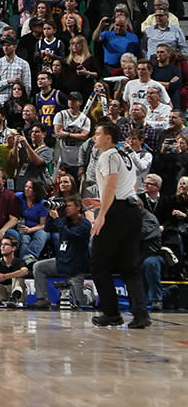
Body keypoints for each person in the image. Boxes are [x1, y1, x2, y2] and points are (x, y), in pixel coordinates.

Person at [89, 120, 151, 328]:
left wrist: (102, 214)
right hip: (132, 211)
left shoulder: (107, 155)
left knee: (98, 264)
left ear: (108, 137)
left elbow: (112, 185)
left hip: (115, 214)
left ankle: (112, 313)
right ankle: (141, 315)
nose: (94, 137)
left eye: (97, 134)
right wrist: (104, 202)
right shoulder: (127, 154)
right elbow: (129, 185)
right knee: (129, 267)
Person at [30, 195, 91, 309]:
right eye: (65, 206)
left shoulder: (84, 224)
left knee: (80, 303)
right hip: (62, 262)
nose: (66, 208)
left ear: (78, 207)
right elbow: (48, 228)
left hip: (75, 267)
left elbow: (69, 235)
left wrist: (57, 219)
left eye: (69, 206)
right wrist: (50, 213)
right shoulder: (65, 221)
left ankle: (88, 294)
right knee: (39, 266)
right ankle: (43, 298)